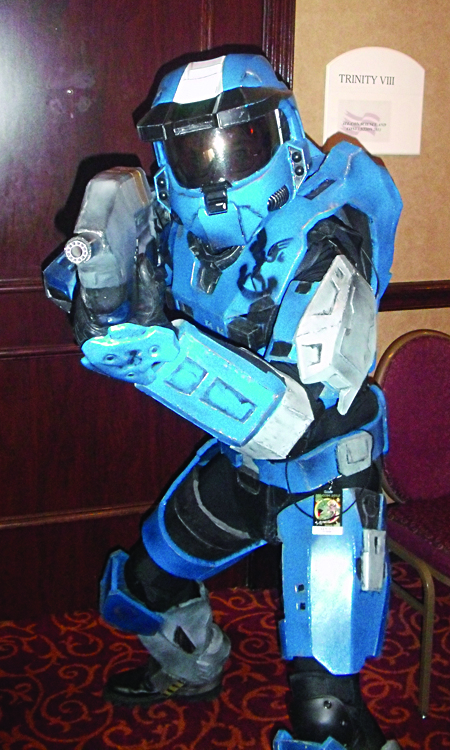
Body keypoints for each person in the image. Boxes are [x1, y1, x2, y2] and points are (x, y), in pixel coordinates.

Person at [44, 52, 402, 750]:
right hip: (242, 464)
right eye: (193, 152)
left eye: (239, 143)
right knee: (140, 590)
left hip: (327, 477)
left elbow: (299, 417)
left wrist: (165, 359)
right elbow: (72, 278)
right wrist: (97, 284)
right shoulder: (171, 218)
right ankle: (195, 664)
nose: (215, 172)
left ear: (284, 133)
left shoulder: (332, 229)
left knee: (326, 711)